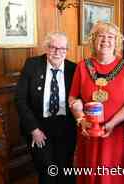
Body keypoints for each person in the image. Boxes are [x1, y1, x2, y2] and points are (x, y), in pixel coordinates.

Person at [69, 21, 124, 184]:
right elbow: (73, 98)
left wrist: (112, 123)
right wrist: (81, 120)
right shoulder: (83, 66)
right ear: (93, 40)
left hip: (116, 134)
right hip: (89, 133)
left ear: (117, 42)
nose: (105, 40)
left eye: (110, 37)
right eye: (101, 36)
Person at [16, 32, 76, 184]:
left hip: (66, 126)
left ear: (67, 50)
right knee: (47, 170)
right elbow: (20, 99)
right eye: (53, 47)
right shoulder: (32, 65)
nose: (57, 52)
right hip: (39, 127)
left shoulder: (73, 69)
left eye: (62, 48)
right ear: (46, 48)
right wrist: (34, 129)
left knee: (65, 170)